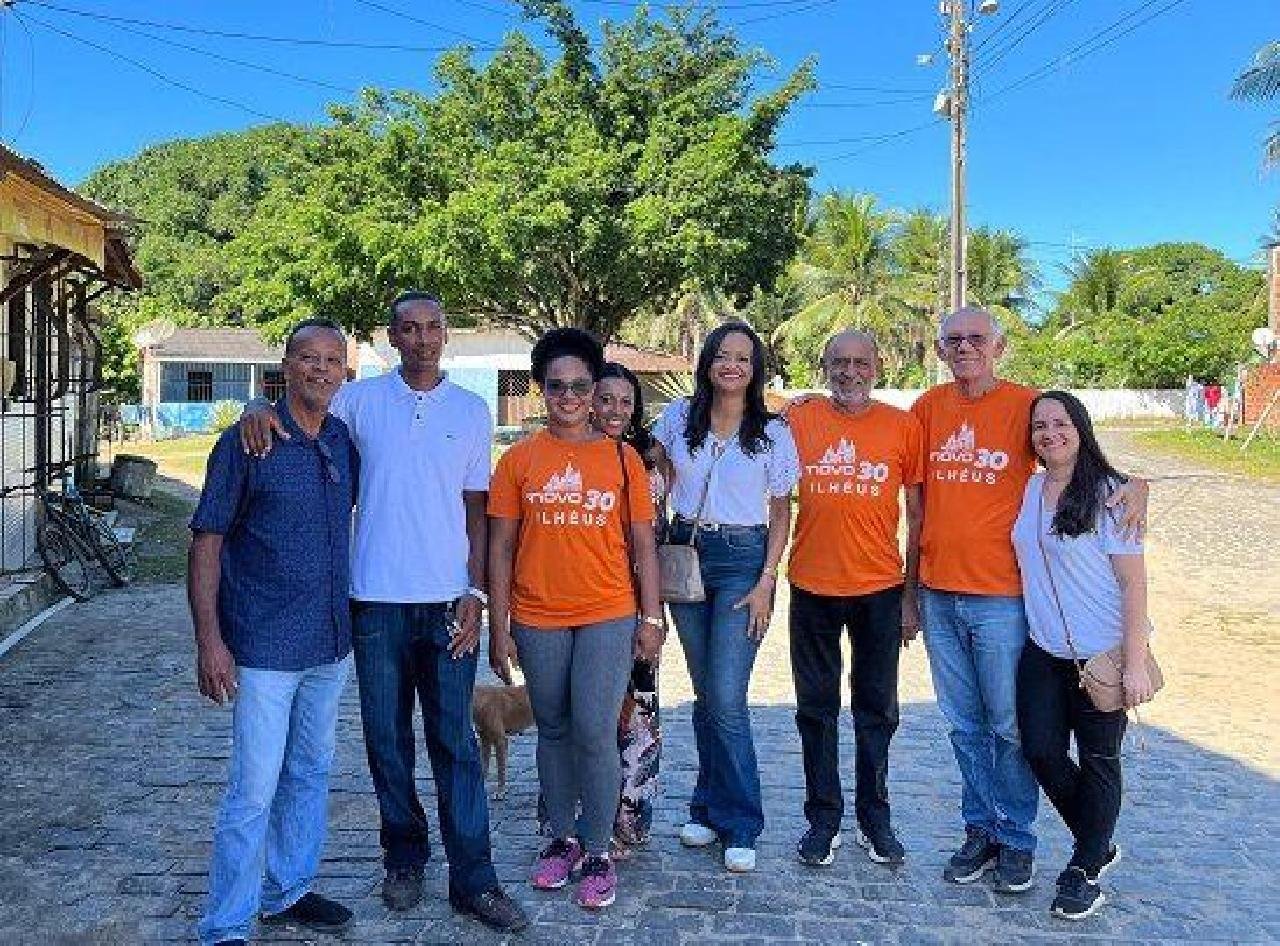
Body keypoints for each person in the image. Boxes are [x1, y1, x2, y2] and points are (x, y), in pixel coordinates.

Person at [240, 294, 527, 933]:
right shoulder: (359, 401)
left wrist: (476, 594)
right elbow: (298, 410)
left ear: (445, 335)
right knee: (386, 741)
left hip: (448, 602)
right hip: (372, 601)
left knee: (453, 740)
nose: (422, 338)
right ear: (392, 336)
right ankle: (403, 856)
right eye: (409, 328)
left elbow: (477, 510)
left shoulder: (472, 410)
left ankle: (474, 881)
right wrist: (256, 404)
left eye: (432, 327)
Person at [912, 306, 1147, 894]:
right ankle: (981, 831)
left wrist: (1140, 484)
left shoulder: (1027, 405)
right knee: (963, 727)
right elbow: (912, 504)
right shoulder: (926, 409)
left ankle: (1016, 838)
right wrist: (909, 591)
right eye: (954, 340)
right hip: (939, 593)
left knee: (1009, 728)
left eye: (977, 339)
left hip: (1002, 600)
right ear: (940, 351)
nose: (966, 348)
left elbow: (1079, 450)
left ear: (999, 346)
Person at [191, 318, 357, 946]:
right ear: (284, 366)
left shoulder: (342, 440)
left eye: (332, 360)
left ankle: (287, 890)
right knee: (253, 790)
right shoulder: (247, 442)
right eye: (307, 358)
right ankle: (226, 924)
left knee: (310, 772)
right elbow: (207, 541)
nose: (320, 369)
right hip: (262, 648)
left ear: (344, 371)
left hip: (329, 643)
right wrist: (210, 642)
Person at [488, 329, 664, 910]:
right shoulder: (518, 459)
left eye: (579, 386)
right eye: (556, 386)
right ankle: (559, 839)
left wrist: (650, 617)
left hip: (607, 613)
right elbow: (501, 547)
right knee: (554, 728)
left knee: (593, 728)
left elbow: (644, 545)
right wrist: (499, 623)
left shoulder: (622, 459)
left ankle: (597, 849)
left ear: (594, 390)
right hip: (537, 615)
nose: (568, 396)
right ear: (541, 390)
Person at [651, 321, 800, 873]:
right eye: (722, 355)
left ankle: (740, 821)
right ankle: (707, 808)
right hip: (686, 553)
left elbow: (781, 510)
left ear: (754, 368)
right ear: (708, 362)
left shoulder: (774, 431)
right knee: (705, 694)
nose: (732, 365)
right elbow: (655, 479)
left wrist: (766, 580)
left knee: (728, 698)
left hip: (743, 562)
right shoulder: (676, 419)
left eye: (742, 357)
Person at [1012, 391, 1156, 920]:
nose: (1050, 433)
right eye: (1040, 426)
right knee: (1042, 752)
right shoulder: (1030, 488)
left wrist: (1136, 663)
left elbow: (1134, 586)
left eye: (1060, 423)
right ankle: (1097, 841)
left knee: (1098, 761)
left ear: (1081, 427)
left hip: (1102, 654)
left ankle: (1085, 867)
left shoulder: (1112, 495)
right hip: (1045, 651)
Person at [785, 330, 923, 869]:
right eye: (838, 362)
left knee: (877, 710)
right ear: (824, 367)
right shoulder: (798, 419)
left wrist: (912, 594)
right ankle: (823, 816)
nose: (849, 371)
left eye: (860, 362)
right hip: (812, 586)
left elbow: (917, 516)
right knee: (814, 711)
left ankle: (875, 815)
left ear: (877, 366)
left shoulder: (900, 425)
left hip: (880, 590)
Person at [593, 362, 666, 854]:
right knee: (588, 715)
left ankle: (627, 820)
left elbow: (654, 537)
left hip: (639, 598)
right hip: (585, 599)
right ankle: (582, 820)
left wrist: (652, 615)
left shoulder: (650, 457)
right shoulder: (570, 454)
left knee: (636, 714)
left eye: (626, 401)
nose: (617, 410)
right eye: (607, 398)